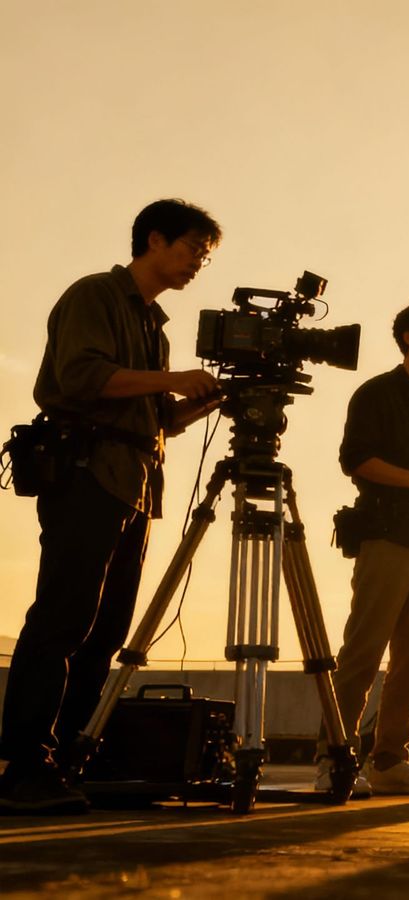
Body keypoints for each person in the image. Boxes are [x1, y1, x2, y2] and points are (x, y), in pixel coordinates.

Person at [0, 199, 223, 814]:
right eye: (192, 249)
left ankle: (69, 758)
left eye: (204, 256)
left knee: (106, 631)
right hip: (88, 472)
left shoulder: (155, 326)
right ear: (154, 240)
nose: (197, 263)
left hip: (136, 480)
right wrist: (172, 379)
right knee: (63, 618)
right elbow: (81, 377)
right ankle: (24, 767)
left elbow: (160, 418)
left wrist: (207, 397)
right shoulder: (95, 294)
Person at [320, 301, 409, 796]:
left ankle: (390, 758)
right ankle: (333, 759)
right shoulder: (376, 392)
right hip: (385, 529)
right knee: (364, 647)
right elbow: (355, 460)